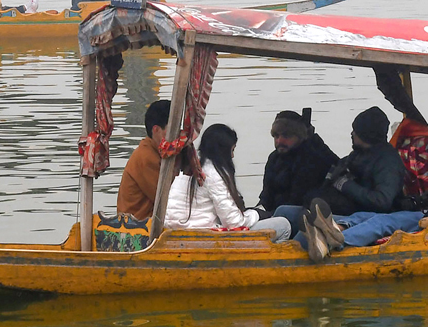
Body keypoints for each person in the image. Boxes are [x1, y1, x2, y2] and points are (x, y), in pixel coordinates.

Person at [270, 106, 405, 260]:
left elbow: (382, 201)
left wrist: (345, 184)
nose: (352, 134)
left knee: (305, 231)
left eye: (356, 131)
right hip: (341, 207)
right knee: (283, 212)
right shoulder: (358, 154)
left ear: (366, 135)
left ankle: (285, 260)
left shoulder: (388, 162)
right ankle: (266, 246)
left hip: (361, 214)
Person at [164, 124, 292, 240]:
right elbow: (234, 223)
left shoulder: (186, 168)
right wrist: (256, 214)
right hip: (204, 237)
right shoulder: (213, 173)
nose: (232, 156)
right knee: (283, 225)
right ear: (223, 151)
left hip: (179, 233)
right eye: (232, 150)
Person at [256, 109, 338, 215]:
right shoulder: (274, 158)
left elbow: (298, 199)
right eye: (276, 136)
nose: (279, 141)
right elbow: (266, 196)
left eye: (286, 136)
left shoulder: (312, 157)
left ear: (300, 136)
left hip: (301, 213)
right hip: (276, 213)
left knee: (283, 211)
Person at [118, 99, 171, 220]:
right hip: (135, 229)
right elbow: (165, 200)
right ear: (156, 130)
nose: (177, 136)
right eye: (171, 131)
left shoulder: (155, 152)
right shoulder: (146, 157)